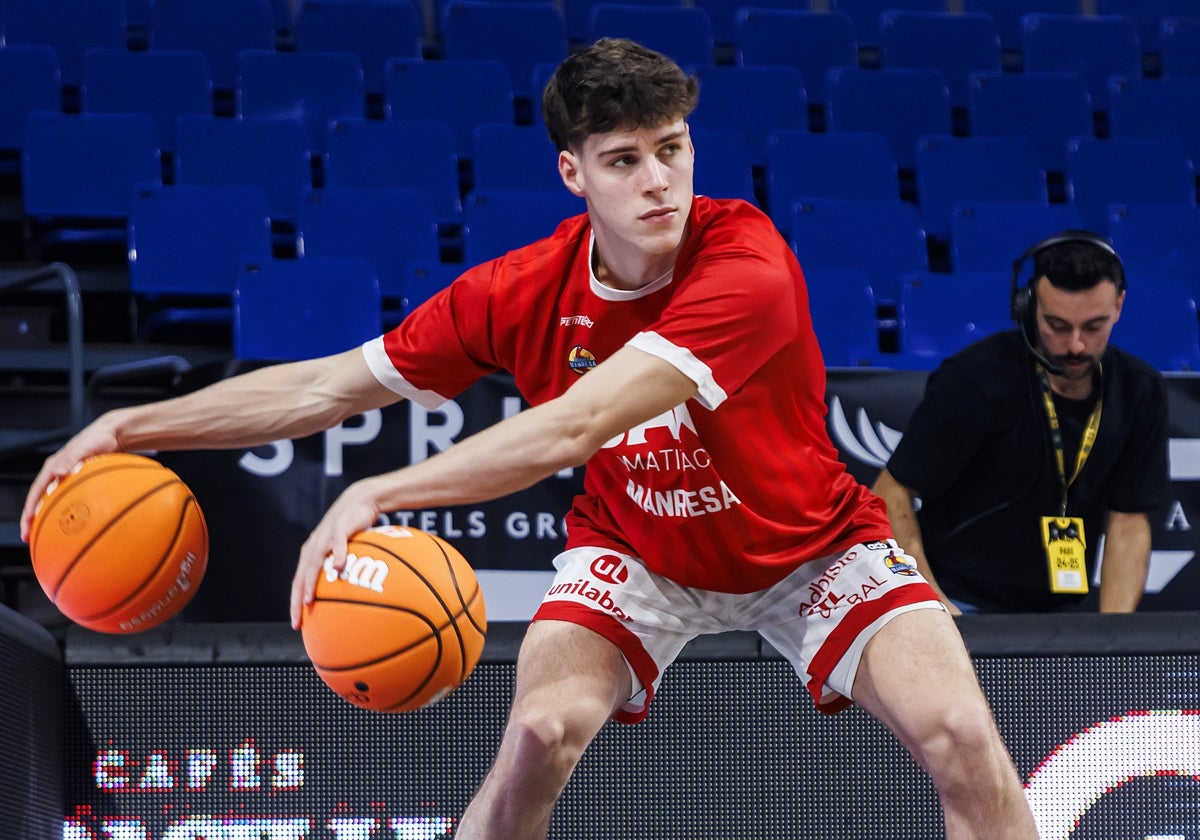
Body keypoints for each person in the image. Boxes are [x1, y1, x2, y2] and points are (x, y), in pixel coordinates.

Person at [22, 38, 1038, 839]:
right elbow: (331, 385)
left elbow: (583, 419)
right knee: (539, 737)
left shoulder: (749, 263)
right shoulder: (519, 292)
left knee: (960, 736)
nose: (658, 182)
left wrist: (381, 493)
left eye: (673, 149)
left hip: (815, 546)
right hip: (636, 550)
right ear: (573, 172)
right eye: (624, 160)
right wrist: (131, 424)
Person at [872, 231, 1170, 615]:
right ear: (1027, 306)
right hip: (959, 599)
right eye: (1057, 326)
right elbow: (889, 491)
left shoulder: (1139, 390)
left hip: (1058, 609)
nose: (1076, 345)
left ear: (1119, 305)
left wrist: (1112, 635)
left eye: (1093, 326)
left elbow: (1129, 519)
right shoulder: (976, 379)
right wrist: (934, 606)